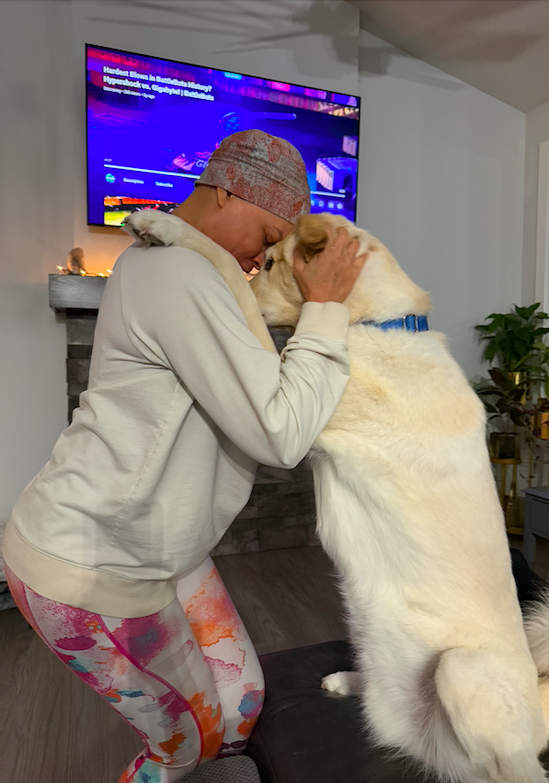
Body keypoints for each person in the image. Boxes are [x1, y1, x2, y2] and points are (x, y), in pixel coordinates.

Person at [2, 129, 366, 783]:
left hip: (156, 544)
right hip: (86, 563)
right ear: (227, 190)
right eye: (270, 232)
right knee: (184, 744)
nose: (270, 254)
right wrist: (327, 308)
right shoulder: (177, 272)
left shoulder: (170, 262)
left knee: (242, 699)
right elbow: (281, 433)